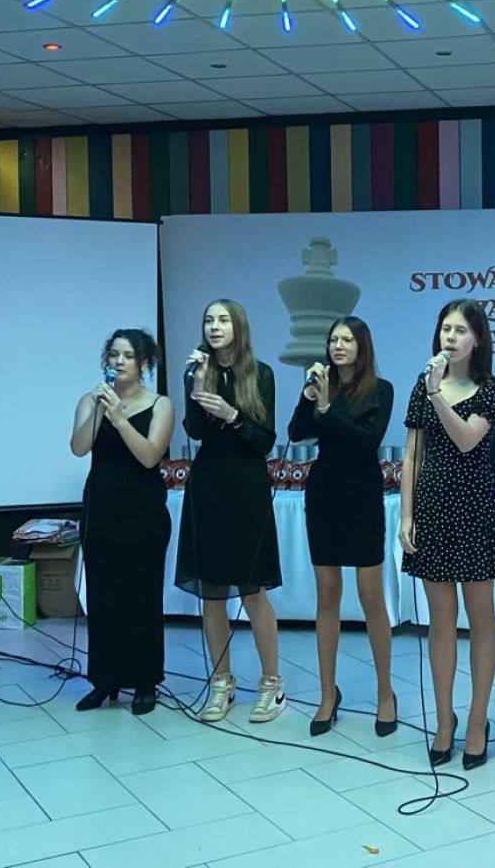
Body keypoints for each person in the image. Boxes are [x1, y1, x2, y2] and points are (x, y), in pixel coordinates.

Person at [399, 298, 495, 770]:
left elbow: (466, 439)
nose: (451, 337)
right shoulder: (421, 385)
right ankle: (445, 720)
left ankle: (478, 720)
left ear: (477, 339)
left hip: (475, 509)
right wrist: (406, 515)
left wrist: (437, 394)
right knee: (440, 620)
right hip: (432, 509)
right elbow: (412, 455)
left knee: (480, 616)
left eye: (461, 330)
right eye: (446, 329)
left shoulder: (491, 389)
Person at [288, 317, 398, 738]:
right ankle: (326, 694)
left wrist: (327, 409)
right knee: (327, 596)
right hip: (324, 495)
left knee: (371, 597)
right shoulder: (320, 386)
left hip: (362, 496)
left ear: (361, 346)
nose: (338, 346)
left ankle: (385, 693)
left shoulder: (380, 390)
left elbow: (367, 441)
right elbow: (296, 432)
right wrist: (309, 399)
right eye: (333, 339)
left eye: (347, 339)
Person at [176, 299, 284, 724]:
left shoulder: (261, 374)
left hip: (247, 485)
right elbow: (195, 430)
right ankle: (222, 682)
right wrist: (198, 386)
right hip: (208, 484)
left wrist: (234, 415)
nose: (214, 327)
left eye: (223, 320)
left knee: (253, 591)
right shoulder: (197, 371)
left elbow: (264, 442)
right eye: (208, 320)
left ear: (239, 327)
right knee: (212, 592)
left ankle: (271, 683)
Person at [69, 329, 173, 716]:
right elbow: (79, 447)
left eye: (128, 356)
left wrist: (119, 418)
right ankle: (105, 680)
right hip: (101, 511)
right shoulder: (91, 400)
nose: (119, 362)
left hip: (143, 513)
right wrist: (100, 411)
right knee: (103, 597)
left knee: (141, 597)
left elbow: (149, 456)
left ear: (144, 362)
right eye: (114, 355)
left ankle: (145, 682)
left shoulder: (159, 404)